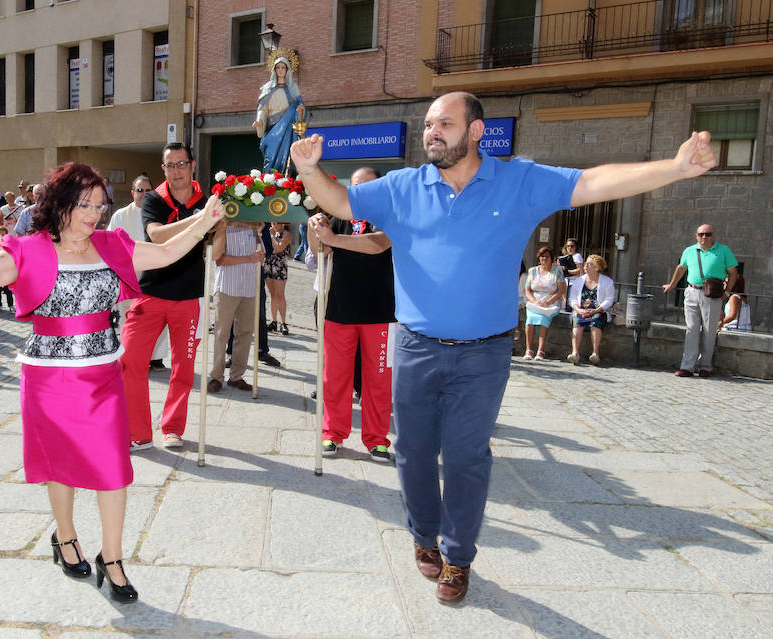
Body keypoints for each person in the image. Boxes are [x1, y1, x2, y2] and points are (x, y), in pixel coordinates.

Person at [290, 91, 718, 604]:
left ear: (475, 132)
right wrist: (312, 171)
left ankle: (458, 556)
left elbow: (593, 182)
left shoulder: (518, 181)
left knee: (468, 456)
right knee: (412, 450)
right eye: (428, 124)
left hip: (483, 353)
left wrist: (673, 167)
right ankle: (423, 534)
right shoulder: (402, 186)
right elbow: (340, 202)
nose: (432, 131)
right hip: (415, 346)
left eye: (444, 123)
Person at [0, 162, 223, 604]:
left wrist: (204, 224)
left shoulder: (111, 244)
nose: (93, 213)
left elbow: (164, 254)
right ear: (60, 203)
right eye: (84, 204)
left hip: (102, 375)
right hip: (48, 377)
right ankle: (65, 537)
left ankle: (113, 558)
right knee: (59, 464)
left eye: (100, 205)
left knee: (114, 468)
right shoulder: (26, 249)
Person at [121, 143, 212, 451]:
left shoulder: (208, 199)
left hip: (189, 297)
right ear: (163, 169)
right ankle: (138, 432)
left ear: (192, 164)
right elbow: (157, 235)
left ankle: (172, 428)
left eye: (181, 163)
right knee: (130, 361)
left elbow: (219, 253)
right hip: (151, 292)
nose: (176, 170)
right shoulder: (153, 198)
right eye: (170, 165)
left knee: (183, 368)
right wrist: (202, 221)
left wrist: (219, 225)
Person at [308, 166, 395, 462]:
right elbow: (319, 249)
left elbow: (377, 244)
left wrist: (332, 239)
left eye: (367, 187)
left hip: (381, 312)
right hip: (340, 309)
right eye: (355, 187)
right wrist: (315, 228)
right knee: (335, 377)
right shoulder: (341, 217)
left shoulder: (390, 215)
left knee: (379, 381)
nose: (360, 193)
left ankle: (377, 440)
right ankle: (332, 434)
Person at [107, 175, 171, 372]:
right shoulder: (120, 215)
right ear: (132, 192)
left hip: (155, 275)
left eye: (147, 190)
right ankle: (131, 355)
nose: (143, 194)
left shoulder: (159, 213)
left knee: (157, 317)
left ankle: (156, 357)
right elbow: (111, 243)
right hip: (130, 275)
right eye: (139, 190)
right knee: (130, 318)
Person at [662, 224, 737, 377]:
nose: (704, 237)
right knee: (691, 329)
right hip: (691, 291)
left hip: (712, 294)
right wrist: (672, 284)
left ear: (713, 235)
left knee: (709, 331)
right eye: (701, 234)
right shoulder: (689, 251)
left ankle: (705, 366)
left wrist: (727, 292)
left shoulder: (724, 251)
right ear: (696, 236)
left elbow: (733, 273)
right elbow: (681, 268)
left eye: (707, 234)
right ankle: (687, 366)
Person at [208, 221, 265, 394]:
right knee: (221, 333)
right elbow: (219, 259)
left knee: (245, 333)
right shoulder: (224, 227)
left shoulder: (255, 229)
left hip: (249, 286)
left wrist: (259, 234)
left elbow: (262, 256)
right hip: (227, 286)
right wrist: (249, 258)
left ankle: (236, 376)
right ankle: (216, 376)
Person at [254, 56, 305, 173]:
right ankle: (269, 181)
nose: (281, 70)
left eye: (283, 67)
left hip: (288, 129)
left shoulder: (293, 88)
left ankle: (285, 181)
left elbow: (300, 107)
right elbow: (262, 108)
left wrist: (300, 110)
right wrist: (259, 121)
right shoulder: (268, 88)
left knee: (287, 157)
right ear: (274, 70)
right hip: (272, 129)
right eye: (278, 67)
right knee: (271, 158)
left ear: (287, 70)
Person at [567, 254, 615, 365]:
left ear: (597, 267)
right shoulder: (579, 281)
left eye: (589, 264)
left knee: (596, 321)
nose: (585, 265)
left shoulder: (607, 282)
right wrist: (578, 310)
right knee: (577, 320)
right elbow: (572, 298)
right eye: (586, 263)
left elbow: (609, 299)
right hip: (581, 310)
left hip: (598, 311)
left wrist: (597, 309)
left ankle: (595, 353)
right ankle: (575, 353)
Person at [522, 246, 565, 361]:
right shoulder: (533, 271)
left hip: (551, 302)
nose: (544, 259)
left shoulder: (557, 271)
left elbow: (561, 290)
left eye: (546, 256)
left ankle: (541, 350)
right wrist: (534, 301)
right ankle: (529, 349)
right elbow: (527, 290)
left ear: (551, 258)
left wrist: (549, 301)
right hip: (535, 301)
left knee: (542, 318)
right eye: (542, 256)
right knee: (530, 319)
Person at [264, 221, 291, 334]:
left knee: (280, 295)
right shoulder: (270, 233)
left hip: (279, 265)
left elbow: (278, 248)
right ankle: (274, 321)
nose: (273, 225)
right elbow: (268, 248)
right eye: (272, 223)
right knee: (273, 295)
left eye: (275, 223)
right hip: (269, 263)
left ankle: (283, 322)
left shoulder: (286, 234)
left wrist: (272, 236)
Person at [558, 237, 584, 310]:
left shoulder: (577, 256)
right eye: (568, 246)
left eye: (572, 246)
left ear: (576, 247)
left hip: (574, 281)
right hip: (565, 281)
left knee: (572, 301)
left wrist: (567, 271)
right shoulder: (565, 257)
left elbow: (580, 270)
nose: (569, 248)